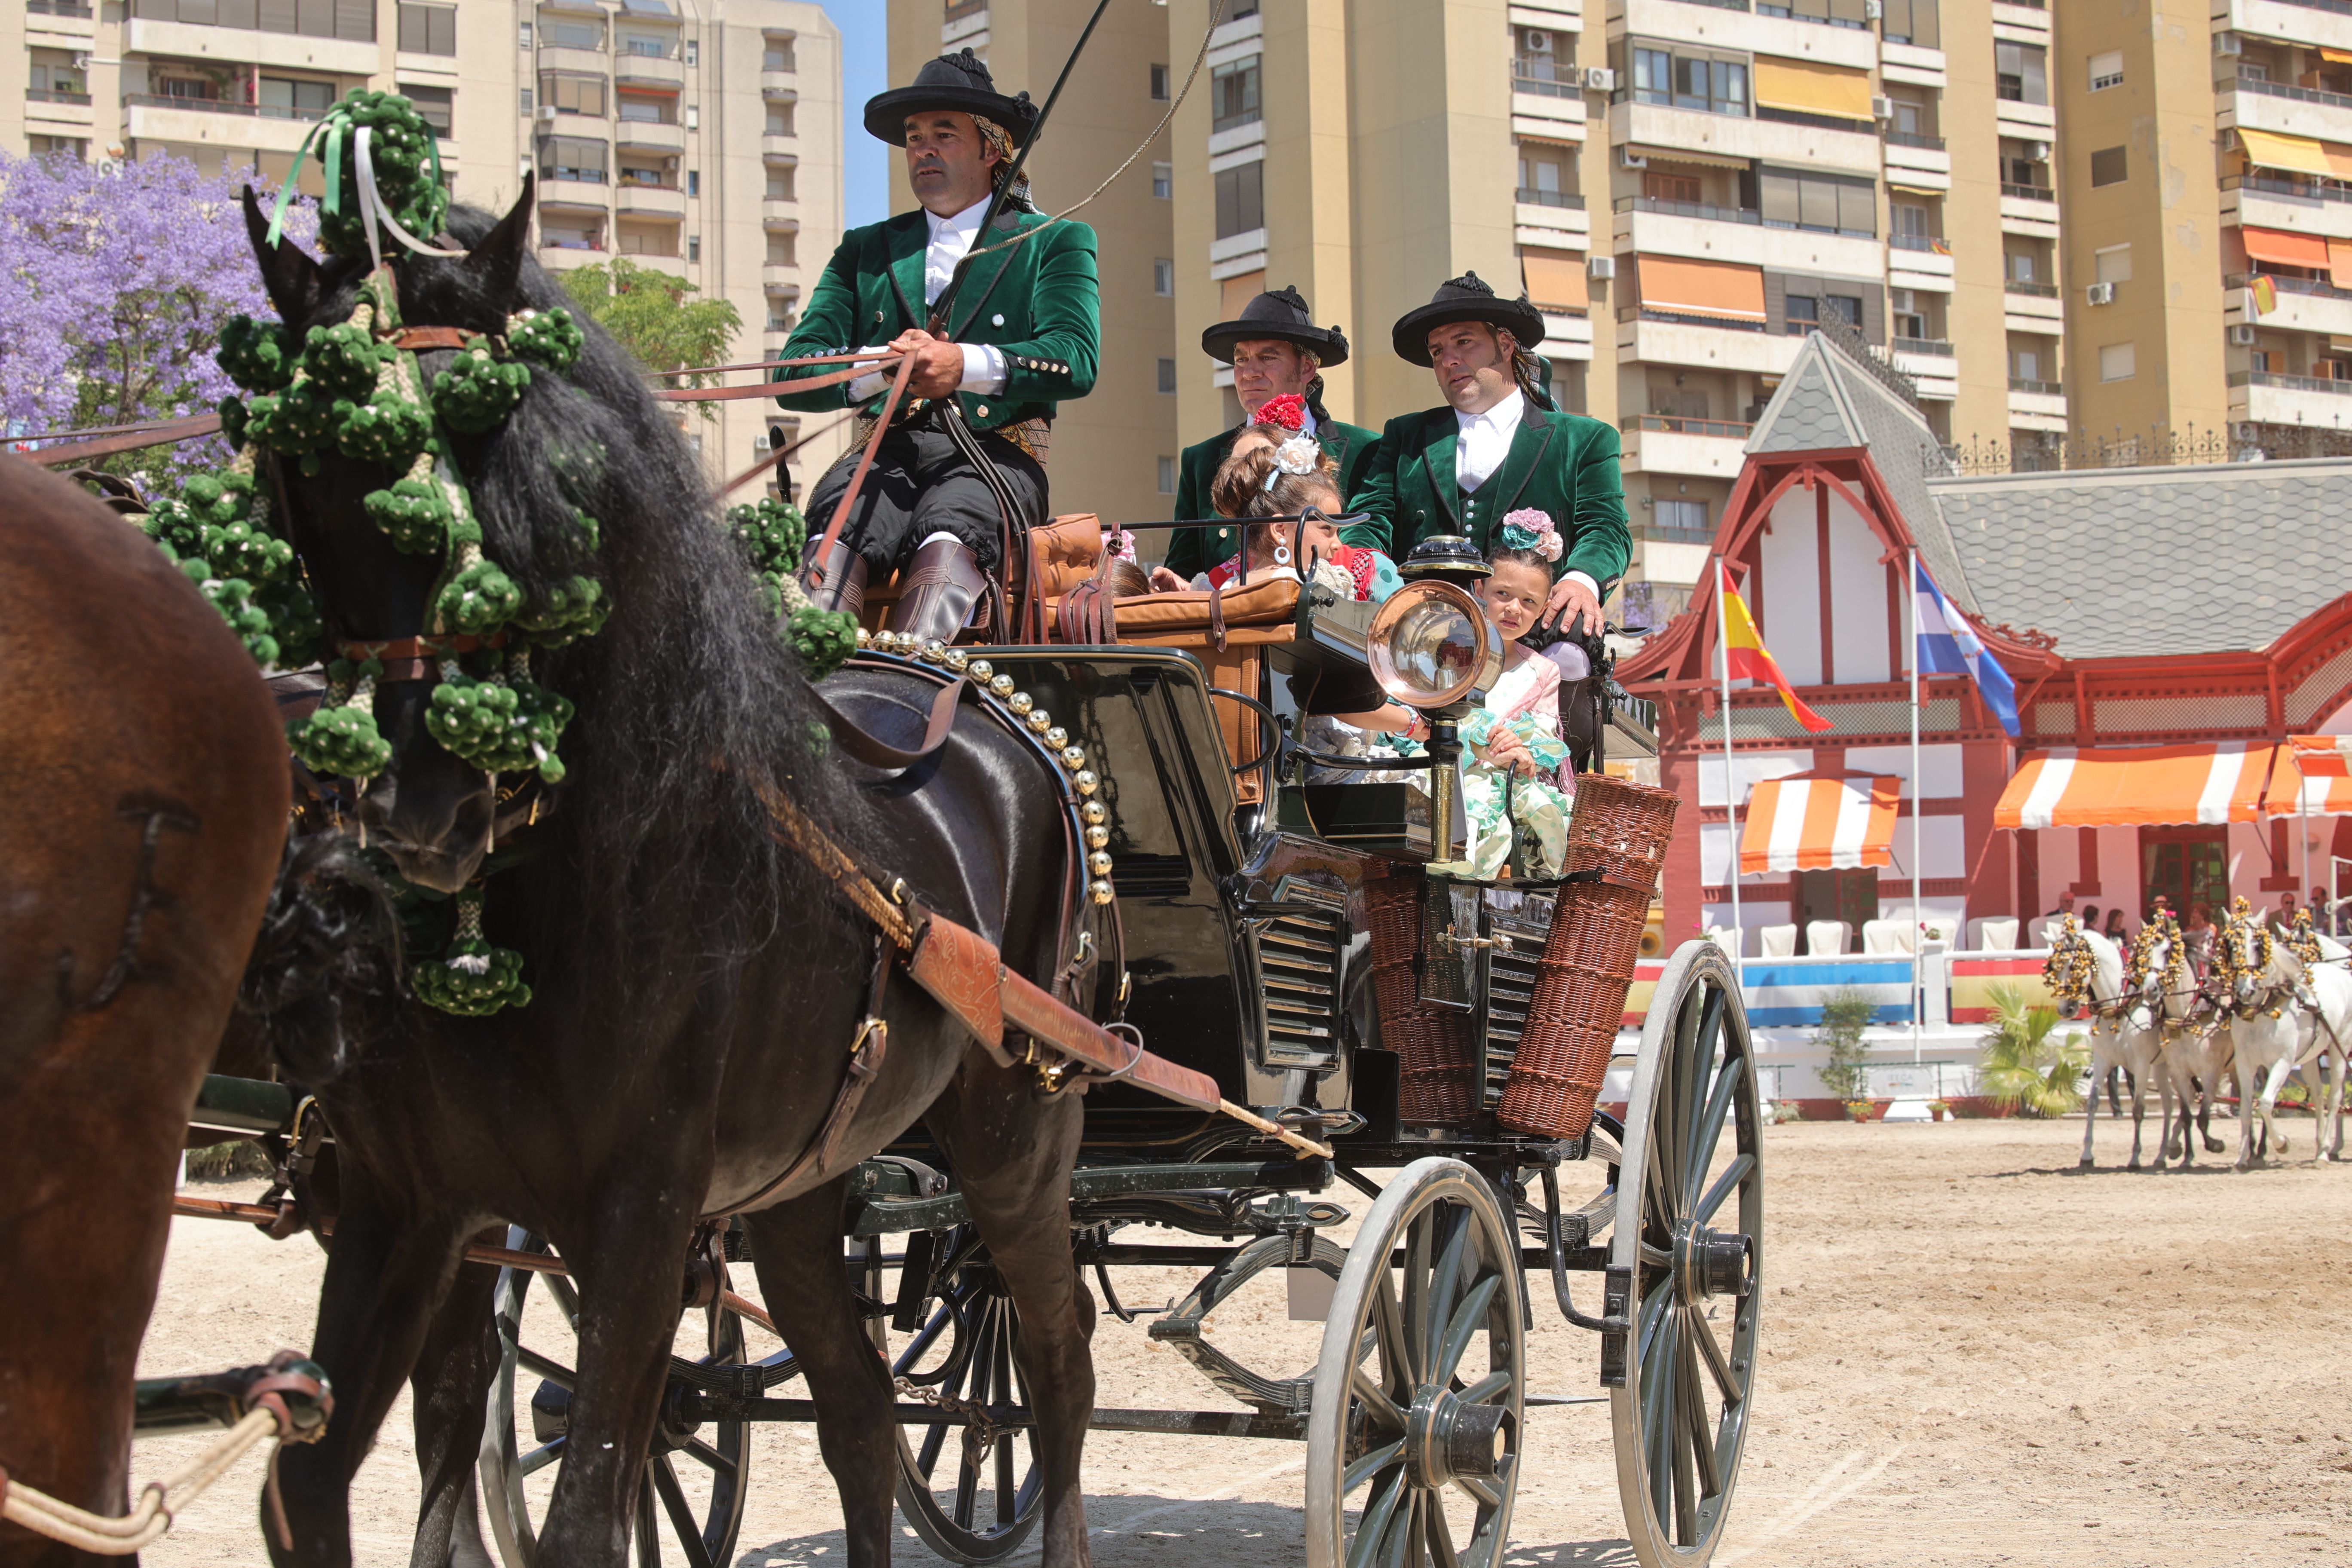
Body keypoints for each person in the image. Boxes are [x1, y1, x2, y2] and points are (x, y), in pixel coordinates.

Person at [773, 48, 1100, 643]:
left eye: (943, 135)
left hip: (994, 455)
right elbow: (795, 371)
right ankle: (804, 695)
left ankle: (910, 692)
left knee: (949, 532)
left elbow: (1076, 358)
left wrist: (962, 365)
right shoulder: (866, 249)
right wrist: (881, 368)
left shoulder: (1054, 241)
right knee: (833, 532)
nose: (923, 149)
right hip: (883, 454)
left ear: (992, 148)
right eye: (914, 137)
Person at [1342, 272, 1630, 640]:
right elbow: (1369, 519)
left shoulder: (1586, 439)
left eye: (1464, 342)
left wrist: (1580, 582)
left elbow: (1606, 529)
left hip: (1538, 638)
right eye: (1437, 352)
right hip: (1416, 641)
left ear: (1506, 345)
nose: (1449, 360)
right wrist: (1372, 571)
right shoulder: (1405, 436)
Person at [1158, 285, 1380, 588]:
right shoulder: (1201, 460)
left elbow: (1371, 556)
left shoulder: (1367, 450)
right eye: (1240, 359)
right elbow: (1184, 571)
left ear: (1307, 368)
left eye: (1267, 358)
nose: (1249, 372)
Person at [1197, 423, 1403, 603]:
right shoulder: (1319, 589)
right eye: (1326, 528)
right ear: (1280, 530)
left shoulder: (1222, 590)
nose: (1337, 544)